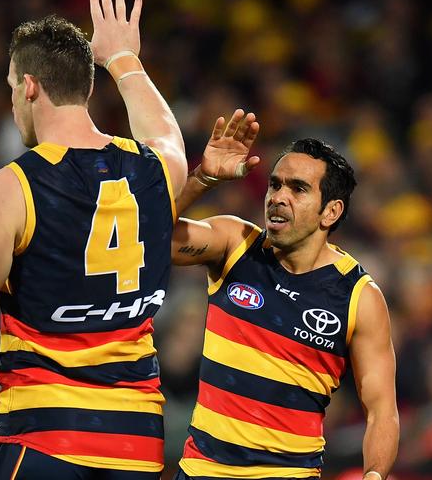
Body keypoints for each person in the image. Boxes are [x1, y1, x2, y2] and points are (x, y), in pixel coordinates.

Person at [0, 0, 219, 478]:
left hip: (45, 439)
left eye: (11, 87)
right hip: (136, 444)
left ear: (29, 86)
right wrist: (123, 58)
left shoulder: (14, 187)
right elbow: (166, 133)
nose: (11, 101)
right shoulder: (156, 169)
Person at [170, 132, 399, 479]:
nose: (278, 197)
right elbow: (142, 236)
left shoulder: (358, 297)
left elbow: (382, 411)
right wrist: (202, 179)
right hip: (200, 472)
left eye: (298, 189)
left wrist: (374, 475)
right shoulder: (234, 245)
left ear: (331, 212)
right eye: (275, 185)